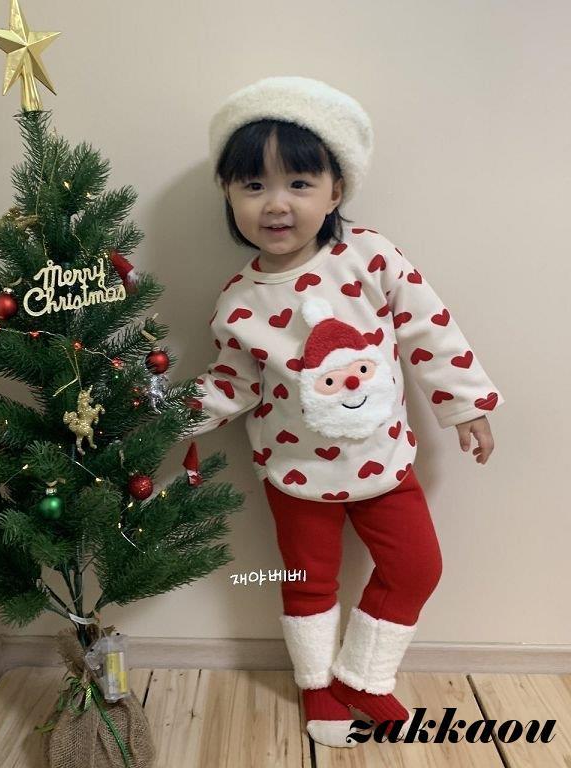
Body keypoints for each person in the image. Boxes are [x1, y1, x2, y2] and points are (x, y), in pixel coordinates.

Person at [187, 76, 503, 748]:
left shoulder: (371, 257)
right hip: (296, 473)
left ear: (336, 191)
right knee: (307, 581)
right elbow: (232, 382)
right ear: (228, 194)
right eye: (254, 185)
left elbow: (429, 330)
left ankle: (363, 675)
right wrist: (171, 416)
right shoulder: (239, 300)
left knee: (417, 567)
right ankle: (317, 686)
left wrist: (466, 405)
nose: (276, 203)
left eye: (299, 183)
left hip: (384, 462)